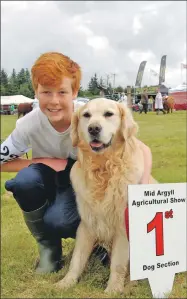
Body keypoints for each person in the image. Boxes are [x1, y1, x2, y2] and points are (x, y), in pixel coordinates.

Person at [0, 52, 153, 274]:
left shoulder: (88, 116)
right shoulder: (28, 124)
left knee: (59, 219)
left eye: (62, 92)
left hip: (78, 182)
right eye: (46, 92)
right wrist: (41, 161)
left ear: (74, 92)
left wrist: (144, 182)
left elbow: (142, 148)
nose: (54, 101)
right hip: (47, 177)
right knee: (24, 181)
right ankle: (49, 250)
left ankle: (99, 247)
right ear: (36, 92)